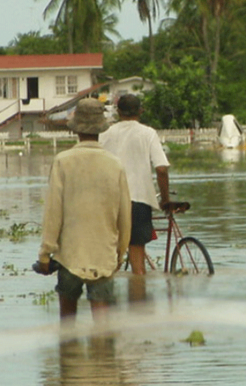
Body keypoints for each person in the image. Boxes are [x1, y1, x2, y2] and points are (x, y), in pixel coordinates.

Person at [34, 98, 132, 322]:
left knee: (68, 319)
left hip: (69, 254)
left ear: (76, 129)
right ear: (101, 129)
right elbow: (124, 215)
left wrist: (45, 253)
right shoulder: (115, 164)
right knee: (102, 320)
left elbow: (53, 212)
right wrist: (120, 252)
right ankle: (102, 345)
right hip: (103, 253)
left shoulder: (63, 161)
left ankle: (69, 345)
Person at [100, 94, 170, 275]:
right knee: (137, 261)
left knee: (108, 256)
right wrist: (165, 199)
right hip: (139, 200)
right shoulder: (148, 133)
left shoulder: (105, 134)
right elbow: (161, 169)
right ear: (141, 111)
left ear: (118, 111)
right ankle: (139, 290)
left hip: (110, 201)